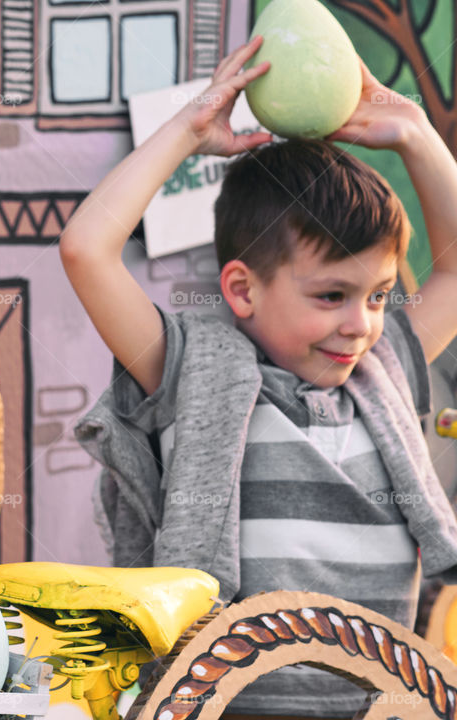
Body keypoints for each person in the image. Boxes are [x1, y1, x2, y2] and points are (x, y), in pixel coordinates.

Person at [62, 36, 457, 718]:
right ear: (242, 291)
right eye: (331, 296)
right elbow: (87, 250)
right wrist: (188, 131)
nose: (359, 324)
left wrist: (416, 133)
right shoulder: (189, 370)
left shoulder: (386, 367)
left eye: (378, 295)